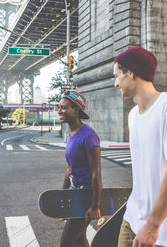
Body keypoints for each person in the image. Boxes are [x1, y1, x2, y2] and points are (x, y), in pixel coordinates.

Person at [113, 46, 167, 247]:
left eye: (117, 76)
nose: (115, 83)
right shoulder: (133, 116)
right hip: (132, 218)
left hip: (163, 229)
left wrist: (152, 226)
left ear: (131, 73)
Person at [58, 90, 102, 247]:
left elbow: (96, 172)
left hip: (86, 197)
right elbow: (70, 168)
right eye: (59, 107)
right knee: (79, 240)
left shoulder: (88, 135)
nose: (59, 111)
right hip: (76, 194)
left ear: (76, 110)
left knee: (66, 243)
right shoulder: (71, 135)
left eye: (63, 108)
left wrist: (95, 205)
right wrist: (62, 194)